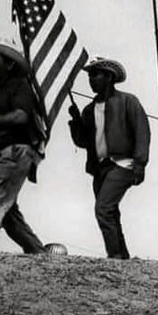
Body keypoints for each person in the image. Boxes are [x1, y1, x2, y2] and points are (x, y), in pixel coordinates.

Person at [66, 57, 149, 260]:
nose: (91, 79)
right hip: (100, 167)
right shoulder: (88, 109)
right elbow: (83, 142)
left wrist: (140, 162)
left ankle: (114, 256)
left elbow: (142, 131)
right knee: (111, 212)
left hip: (123, 163)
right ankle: (122, 257)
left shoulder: (128, 101)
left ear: (109, 77)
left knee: (103, 208)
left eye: (96, 74)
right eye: (90, 75)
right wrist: (75, 122)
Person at [0, 38, 47, 254]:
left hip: (12, 152)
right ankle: (38, 253)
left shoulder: (20, 86)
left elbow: (20, 117)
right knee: (7, 211)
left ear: (9, 64)